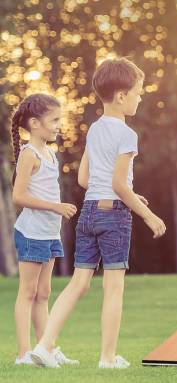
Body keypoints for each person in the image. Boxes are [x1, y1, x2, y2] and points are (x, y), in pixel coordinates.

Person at [31, 58, 167, 368]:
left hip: (89, 212)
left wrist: (129, 195)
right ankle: (107, 358)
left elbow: (83, 180)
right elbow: (119, 184)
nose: (140, 97)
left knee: (78, 283)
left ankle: (44, 345)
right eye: (138, 92)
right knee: (114, 287)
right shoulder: (127, 134)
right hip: (114, 216)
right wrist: (148, 214)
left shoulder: (94, 129)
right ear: (121, 95)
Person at [11, 93, 78, 366]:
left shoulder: (50, 153)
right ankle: (24, 354)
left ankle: (45, 348)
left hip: (49, 234)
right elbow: (18, 196)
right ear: (36, 123)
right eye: (54, 120)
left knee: (44, 293)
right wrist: (55, 207)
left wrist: (55, 211)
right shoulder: (29, 154)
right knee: (27, 292)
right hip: (31, 233)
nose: (58, 125)